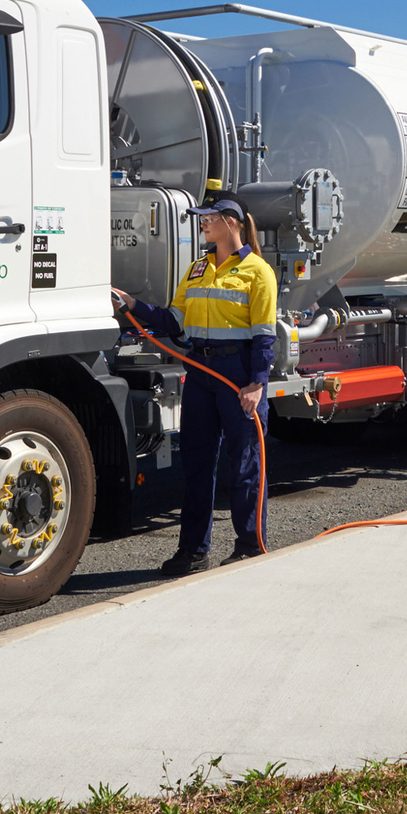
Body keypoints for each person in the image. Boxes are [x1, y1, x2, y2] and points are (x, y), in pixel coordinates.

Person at [111, 198, 277, 574]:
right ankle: (193, 552)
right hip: (201, 373)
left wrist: (256, 383)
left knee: (246, 466)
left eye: (209, 219)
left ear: (231, 222)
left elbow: (265, 336)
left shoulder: (256, 271)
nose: (202, 224)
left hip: (237, 376)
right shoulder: (198, 268)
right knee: (198, 465)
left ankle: (250, 546)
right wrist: (131, 304)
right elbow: (173, 320)